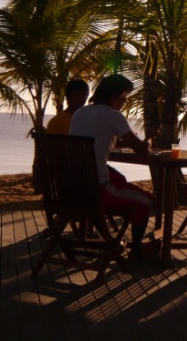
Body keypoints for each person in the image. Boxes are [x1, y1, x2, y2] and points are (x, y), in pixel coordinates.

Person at [69, 74, 155, 261]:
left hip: (72, 190)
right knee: (146, 201)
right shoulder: (114, 116)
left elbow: (95, 140)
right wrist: (148, 140)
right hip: (96, 192)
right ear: (113, 96)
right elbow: (141, 150)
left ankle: (110, 240)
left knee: (119, 179)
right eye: (124, 97)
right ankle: (136, 250)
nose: (125, 101)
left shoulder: (80, 113)